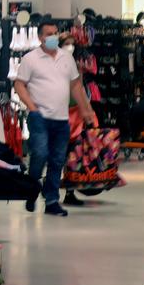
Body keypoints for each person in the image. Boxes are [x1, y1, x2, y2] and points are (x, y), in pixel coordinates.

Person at [14, 21, 97, 217]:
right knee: (40, 154)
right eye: (48, 34)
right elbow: (19, 85)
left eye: (55, 33)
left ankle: (51, 200)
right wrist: (32, 107)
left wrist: (87, 109)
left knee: (58, 160)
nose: (53, 36)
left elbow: (75, 86)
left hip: (62, 119)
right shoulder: (30, 59)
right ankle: (31, 190)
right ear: (40, 37)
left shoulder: (66, 58)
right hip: (39, 117)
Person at [60, 32, 88, 207]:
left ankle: (69, 192)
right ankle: (51, 191)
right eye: (66, 44)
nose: (70, 47)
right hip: (59, 115)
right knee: (58, 157)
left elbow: (80, 90)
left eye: (72, 44)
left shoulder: (76, 66)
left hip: (75, 117)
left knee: (72, 157)